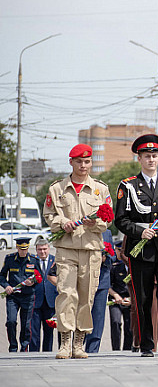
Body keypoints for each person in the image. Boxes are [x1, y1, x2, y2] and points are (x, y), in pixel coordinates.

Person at [115, 134, 158, 358]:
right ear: (139, 158)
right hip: (141, 249)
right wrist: (139, 231)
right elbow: (120, 219)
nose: (151, 160)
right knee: (143, 297)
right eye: (147, 156)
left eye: (155, 156)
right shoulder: (128, 186)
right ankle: (146, 343)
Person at [44, 143, 112, 359]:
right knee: (66, 293)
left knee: (86, 296)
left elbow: (108, 219)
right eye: (79, 161)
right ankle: (65, 341)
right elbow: (49, 214)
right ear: (71, 162)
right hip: (66, 248)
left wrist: (97, 225)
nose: (83, 165)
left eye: (87, 161)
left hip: (91, 249)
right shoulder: (57, 189)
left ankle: (79, 343)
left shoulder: (101, 188)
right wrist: (62, 222)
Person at [0, 238, 39, 352]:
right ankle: (13, 346)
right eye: (21, 249)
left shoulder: (33, 260)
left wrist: (33, 281)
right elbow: (1, 275)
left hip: (28, 296)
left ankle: (24, 347)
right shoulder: (10, 259)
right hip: (13, 296)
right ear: (17, 247)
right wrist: (6, 286)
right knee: (11, 321)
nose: (23, 251)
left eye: (25, 249)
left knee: (26, 324)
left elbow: (39, 276)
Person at [85, 229, 115, 353]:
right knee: (82, 314)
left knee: (98, 317)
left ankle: (93, 350)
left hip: (102, 281)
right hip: (85, 279)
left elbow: (113, 256)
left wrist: (105, 258)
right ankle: (76, 345)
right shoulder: (83, 230)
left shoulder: (107, 233)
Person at [30, 237, 57, 352]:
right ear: (36, 250)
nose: (42, 252)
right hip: (36, 301)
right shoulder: (31, 261)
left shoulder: (55, 261)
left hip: (50, 301)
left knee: (49, 332)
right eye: (40, 249)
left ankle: (47, 353)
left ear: (49, 249)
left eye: (45, 249)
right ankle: (33, 354)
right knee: (34, 332)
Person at [108, 240, 133, 351]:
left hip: (129, 299)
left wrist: (132, 299)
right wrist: (115, 295)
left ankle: (127, 349)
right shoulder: (112, 264)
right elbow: (106, 283)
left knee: (129, 325)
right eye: (118, 250)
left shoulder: (132, 264)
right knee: (116, 322)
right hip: (115, 298)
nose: (119, 252)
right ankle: (116, 349)